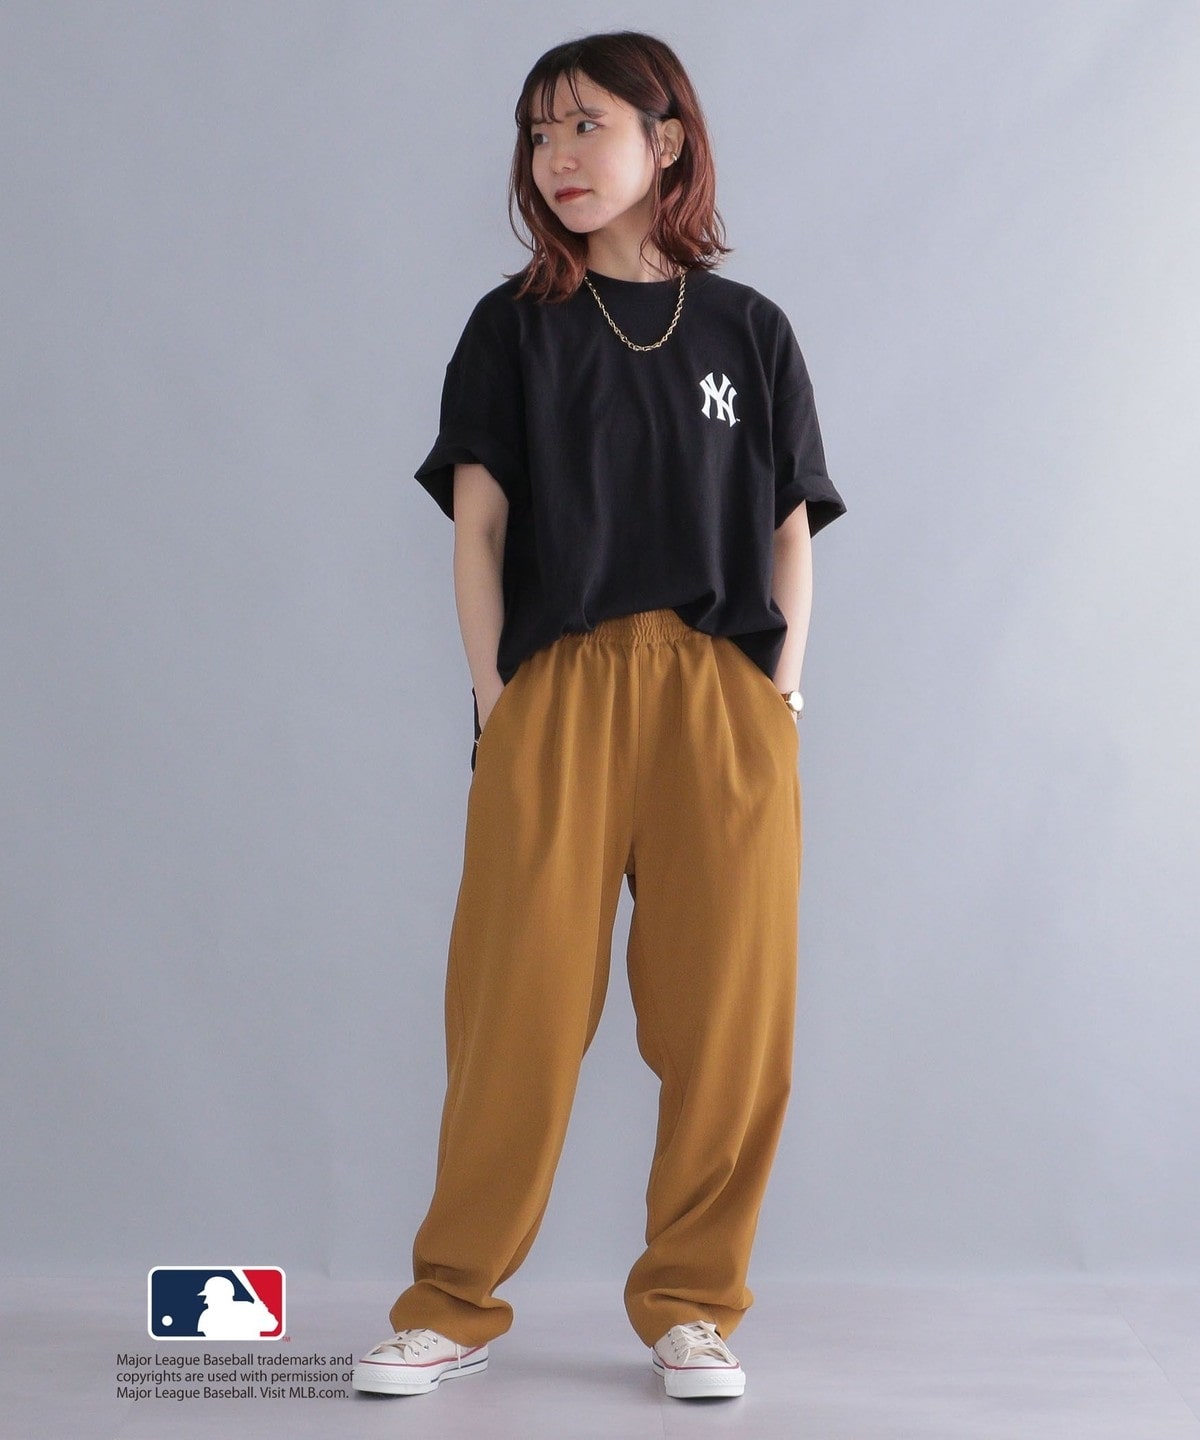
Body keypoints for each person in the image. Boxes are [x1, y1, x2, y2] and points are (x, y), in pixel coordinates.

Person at [352, 29, 846, 1403]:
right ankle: (451, 1303)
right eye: (537, 133)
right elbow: (479, 527)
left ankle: (693, 1305)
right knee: (514, 1007)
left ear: (665, 139)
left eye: (585, 126)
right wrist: (499, 700)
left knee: (729, 1017)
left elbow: (788, 527)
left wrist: (778, 695)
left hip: (721, 695)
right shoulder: (511, 328)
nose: (555, 157)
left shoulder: (749, 331)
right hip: (559, 689)